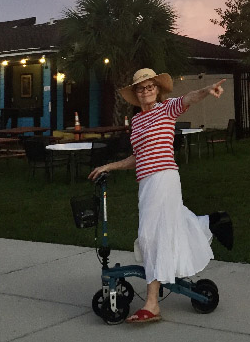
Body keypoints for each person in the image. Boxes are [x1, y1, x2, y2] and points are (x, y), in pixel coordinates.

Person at [88, 68, 233, 324]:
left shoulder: (166, 110)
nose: (146, 91)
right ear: (136, 94)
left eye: (150, 87)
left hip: (164, 177)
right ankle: (211, 222)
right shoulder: (137, 122)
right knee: (162, 230)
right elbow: (138, 157)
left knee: (149, 236)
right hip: (146, 182)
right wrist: (109, 166)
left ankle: (152, 303)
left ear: (158, 90)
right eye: (141, 88)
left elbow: (188, 98)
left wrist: (207, 91)